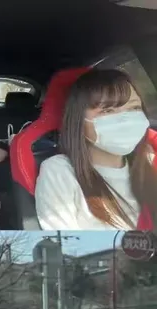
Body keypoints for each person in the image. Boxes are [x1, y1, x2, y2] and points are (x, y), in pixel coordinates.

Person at [35, 68, 157, 230]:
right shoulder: (59, 171)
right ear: (79, 121)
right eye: (107, 110)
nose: (125, 120)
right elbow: (63, 240)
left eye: (134, 108)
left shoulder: (151, 160)